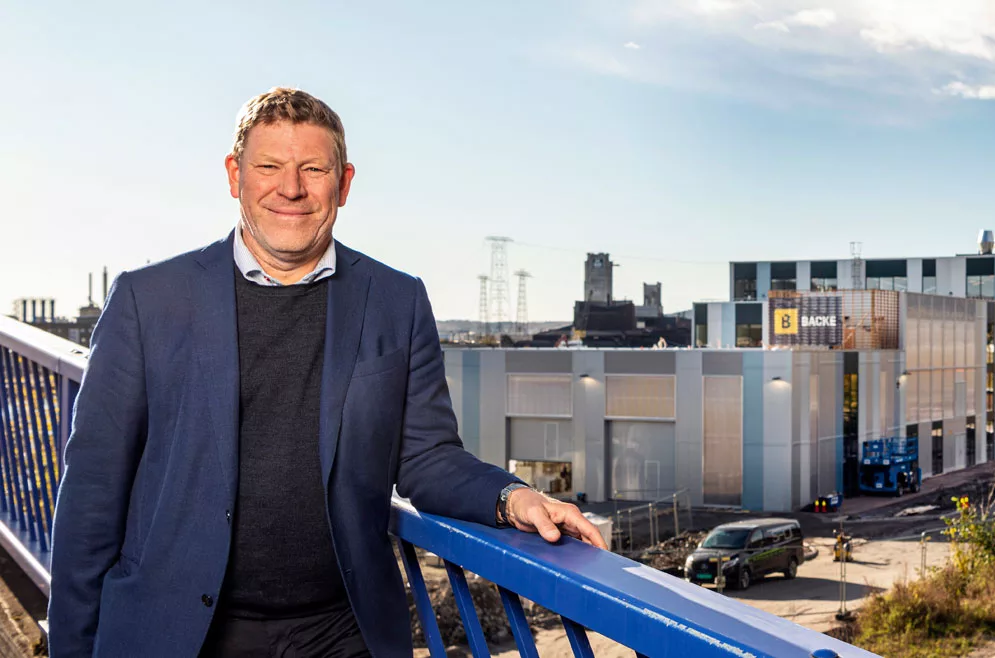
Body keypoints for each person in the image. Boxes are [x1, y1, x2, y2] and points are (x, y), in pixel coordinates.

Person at [48, 87, 605, 658]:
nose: (290, 188)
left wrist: (512, 498)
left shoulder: (396, 300)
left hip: (341, 631)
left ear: (343, 183)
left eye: (313, 169)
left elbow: (426, 456)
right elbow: (94, 490)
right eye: (269, 167)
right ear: (235, 175)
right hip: (178, 632)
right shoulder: (149, 301)